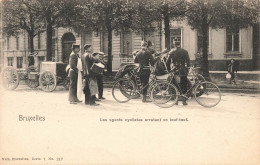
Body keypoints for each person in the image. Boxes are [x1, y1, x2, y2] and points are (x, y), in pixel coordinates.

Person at [166, 40, 190, 105]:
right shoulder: (185, 51)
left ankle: (176, 101)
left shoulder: (171, 51)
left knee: (174, 85)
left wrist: (169, 70)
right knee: (184, 85)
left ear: (174, 44)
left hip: (174, 70)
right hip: (182, 70)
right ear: (180, 44)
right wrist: (187, 69)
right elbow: (188, 62)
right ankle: (184, 101)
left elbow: (167, 62)